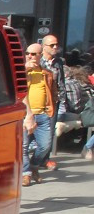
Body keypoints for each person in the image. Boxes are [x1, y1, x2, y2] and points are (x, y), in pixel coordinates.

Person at [22, 43, 55, 186]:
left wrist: (50, 108)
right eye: (28, 53)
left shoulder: (46, 73)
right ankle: (26, 173)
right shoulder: (20, 72)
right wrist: (25, 70)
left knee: (45, 146)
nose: (30, 56)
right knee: (23, 147)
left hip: (42, 114)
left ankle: (34, 166)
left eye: (34, 54)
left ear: (40, 55)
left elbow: (52, 92)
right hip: (24, 115)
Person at [40, 34, 66, 171]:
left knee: (49, 132)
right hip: (38, 101)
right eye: (52, 45)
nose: (55, 47)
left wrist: (62, 101)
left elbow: (61, 82)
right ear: (44, 46)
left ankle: (45, 159)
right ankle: (31, 160)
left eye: (56, 44)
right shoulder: (37, 61)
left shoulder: (58, 62)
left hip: (53, 102)